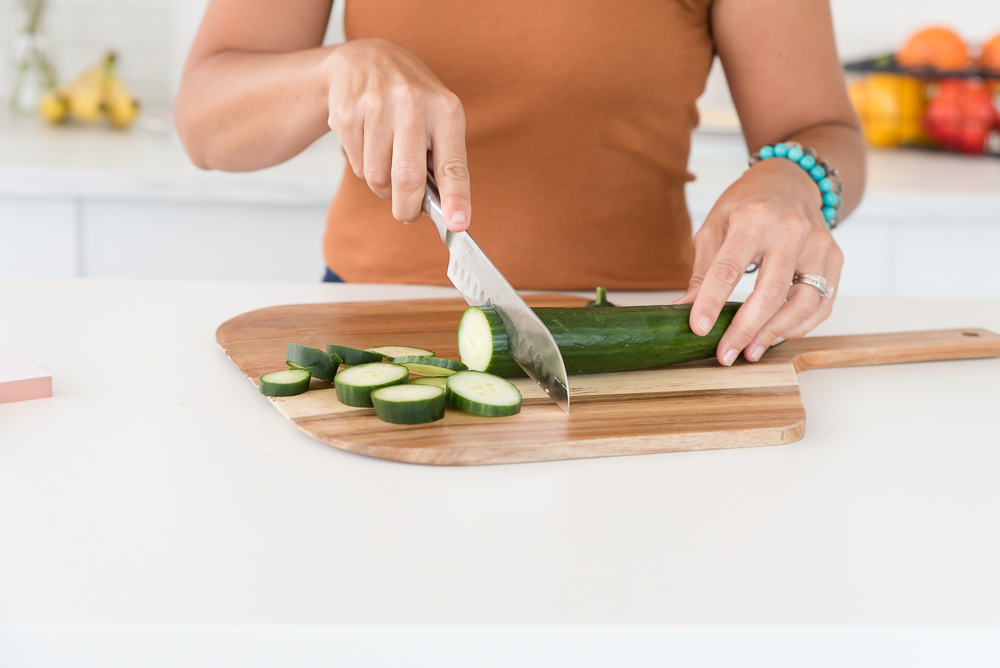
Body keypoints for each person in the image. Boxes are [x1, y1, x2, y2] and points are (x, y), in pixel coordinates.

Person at [175, 0, 865, 367]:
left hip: (639, 337)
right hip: (369, 314)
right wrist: (334, 73)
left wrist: (794, 179)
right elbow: (205, 120)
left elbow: (824, 126)